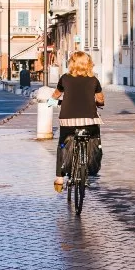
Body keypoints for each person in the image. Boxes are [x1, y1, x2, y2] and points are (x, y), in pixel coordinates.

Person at [49, 50, 104, 193]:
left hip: (68, 122)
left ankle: (60, 177)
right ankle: (91, 167)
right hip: (89, 122)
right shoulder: (94, 80)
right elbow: (100, 99)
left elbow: (56, 95)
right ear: (88, 64)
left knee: (62, 145)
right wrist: (98, 103)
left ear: (71, 63)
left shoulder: (65, 78)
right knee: (95, 138)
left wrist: (52, 101)